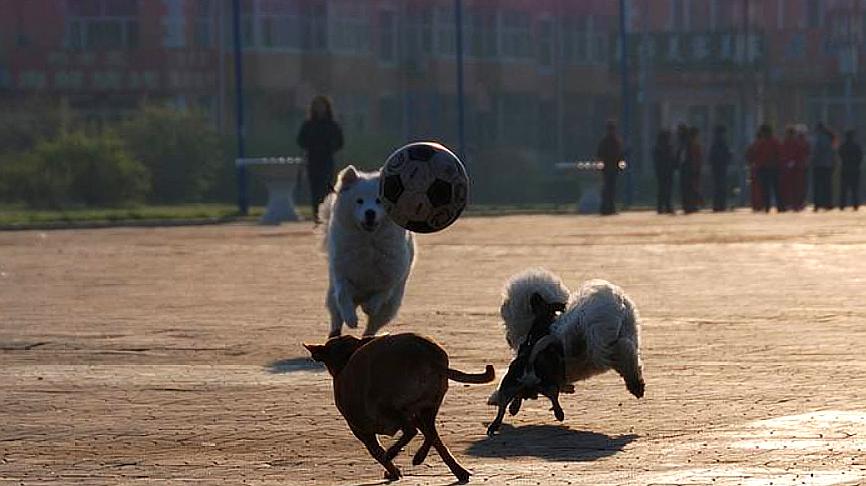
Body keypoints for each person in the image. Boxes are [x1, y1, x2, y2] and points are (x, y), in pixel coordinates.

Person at [297, 95, 344, 224]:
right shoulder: (308, 125)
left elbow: (340, 142)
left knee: (327, 188)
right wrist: (312, 145)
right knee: (315, 190)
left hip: (327, 160)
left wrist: (329, 146)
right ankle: (317, 217)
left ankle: (328, 216)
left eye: (322, 106)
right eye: (317, 106)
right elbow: (301, 141)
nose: (320, 109)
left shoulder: (332, 125)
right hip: (313, 160)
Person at [747, 124, 784, 213]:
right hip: (771, 168)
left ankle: (768, 206)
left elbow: (753, 154)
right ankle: (779, 206)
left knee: (767, 189)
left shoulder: (761, 143)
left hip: (765, 168)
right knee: (775, 189)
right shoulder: (774, 142)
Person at [596, 120, 624, 216]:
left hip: (611, 168)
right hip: (609, 168)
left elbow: (620, 156)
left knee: (610, 189)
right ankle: (606, 208)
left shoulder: (613, 141)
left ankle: (609, 208)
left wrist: (621, 166)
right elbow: (620, 156)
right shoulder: (612, 142)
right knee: (608, 189)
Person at [779, 125, 809, 211]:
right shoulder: (792, 143)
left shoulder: (792, 143)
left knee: (796, 187)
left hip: (795, 168)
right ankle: (792, 203)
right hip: (792, 168)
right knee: (793, 187)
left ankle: (795, 203)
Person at [811, 122, 836, 211]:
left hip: (818, 165)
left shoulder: (818, 138)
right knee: (827, 186)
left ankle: (817, 204)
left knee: (817, 186)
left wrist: (812, 159)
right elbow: (833, 153)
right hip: (828, 165)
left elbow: (816, 151)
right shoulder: (830, 138)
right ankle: (828, 203)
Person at [837, 129, 862, 211]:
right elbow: (860, 157)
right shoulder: (856, 146)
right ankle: (855, 205)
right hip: (854, 169)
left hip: (845, 169)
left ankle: (842, 205)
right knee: (854, 189)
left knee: (844, 189)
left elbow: (840, 155)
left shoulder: (843, 146)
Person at [709, 125, 732, 212]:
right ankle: (720, 205)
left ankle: (718, 205)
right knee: (720, 187)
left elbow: (711, 157)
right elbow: (726, 155)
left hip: (718, 168)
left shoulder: (716, 144)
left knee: (718, 187)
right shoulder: (721, 144)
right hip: (720, 168)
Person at [653, 129, 675, 214]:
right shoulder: (663, 148)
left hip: (664, 171)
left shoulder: (660, 148)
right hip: (665, 171)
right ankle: (666, 206)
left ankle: (662, 207)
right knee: (665, 189)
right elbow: (670, 159)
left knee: (663, 190)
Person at [682, 126, 703, 213]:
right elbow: (694, 157)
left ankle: (691, 205)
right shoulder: (692, 145)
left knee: (692, 188)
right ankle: (691, 205)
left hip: (692, 169)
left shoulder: (691, 144)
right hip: (692, 169)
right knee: (692, 188)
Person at [674, 124, 690, 212]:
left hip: (685, 167)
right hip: (684, 167)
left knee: (686, 187)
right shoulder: (681, 143)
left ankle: (687, 204)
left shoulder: (684, 143)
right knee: (684, 187)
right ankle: (687, 204)